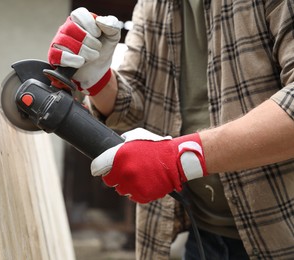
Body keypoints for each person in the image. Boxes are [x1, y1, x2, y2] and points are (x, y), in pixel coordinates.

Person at [48, 2, 294, 259]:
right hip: (204, 234)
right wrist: (97, 80)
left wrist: (180, 158)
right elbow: (132, 108)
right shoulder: (151, 5)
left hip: (281, 233)